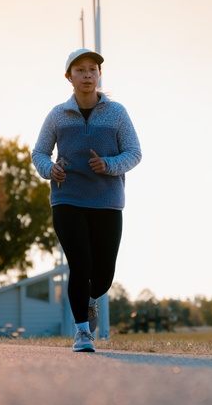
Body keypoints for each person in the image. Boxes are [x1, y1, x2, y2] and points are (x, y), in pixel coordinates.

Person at [32, 48, 142, 352]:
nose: (87, 75)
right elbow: (39, 152)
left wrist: (108, 165)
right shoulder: (58, 115)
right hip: (67, 199)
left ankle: (91, 299)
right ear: (69, 77)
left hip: (107, 201)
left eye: (92, 69)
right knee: (79, 264)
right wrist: (50, 170)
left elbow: (134, 153)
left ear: (99, 75)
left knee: (103, 274)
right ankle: (82, 333)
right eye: (80, 70)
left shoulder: (116, 113)